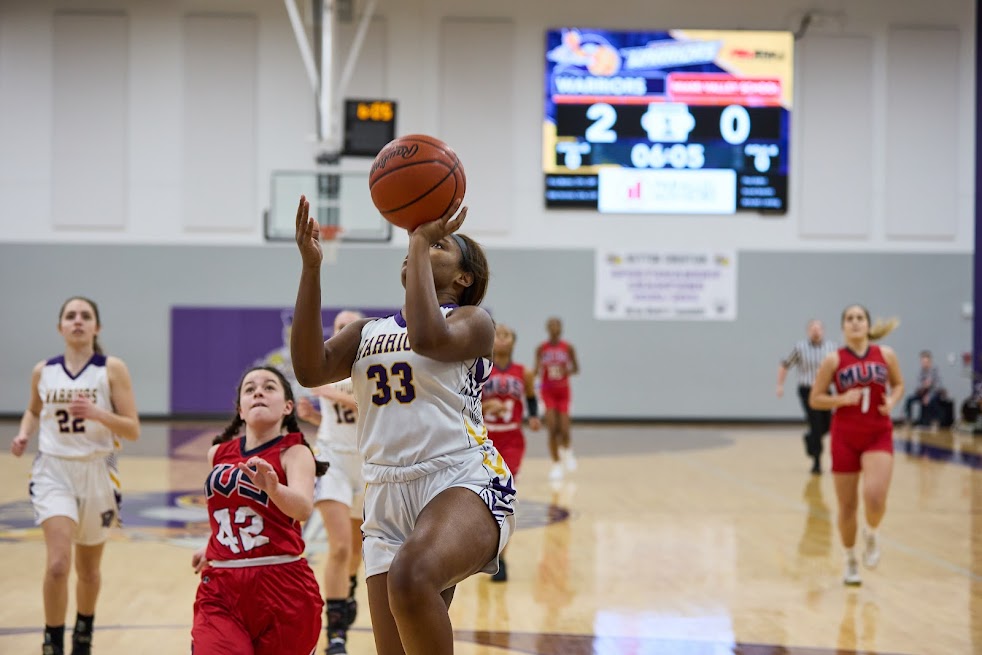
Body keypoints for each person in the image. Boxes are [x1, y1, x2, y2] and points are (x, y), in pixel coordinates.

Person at [290, 194, 516, 655]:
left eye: (439, 246)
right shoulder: (364, 333)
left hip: (460, 477)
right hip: (386, 490)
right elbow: (309, 371)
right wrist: (311, 269)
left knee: (410, 575)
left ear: (463, 277)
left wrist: (416, 239)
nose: (422, 246)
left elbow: (427, 337)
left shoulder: (474, 322)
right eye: (420, 244)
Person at [9, 296, 140, 655]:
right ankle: (52, 641)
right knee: (56, 564)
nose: (78, 321)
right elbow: (33, 410)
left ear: (96, 327)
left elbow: (132, 430)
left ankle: (83, 634)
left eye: (85, 316)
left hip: (98, 470)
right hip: (54, 470)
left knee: (89, 570)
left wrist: (99, 413)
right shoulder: (43, 371)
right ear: (60, 327)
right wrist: (24, 433)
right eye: (71, 316)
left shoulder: (111, 368)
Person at [190, 365, 327, 654]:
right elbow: (226, 510)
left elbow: (302, 509)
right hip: (222, 586)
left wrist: (274, 489)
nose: (258, 392)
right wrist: (213, 545)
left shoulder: (296, 452)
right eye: (250, 389)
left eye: (269, 387)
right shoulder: (217, 453)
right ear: (241, 409)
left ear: (288, 406)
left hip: (283, 585)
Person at [809, 305, 903, 586]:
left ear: (867, 324)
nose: (855, 322)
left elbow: (898, 385)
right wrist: (840, 400)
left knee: (875, 497)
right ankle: (850, 559)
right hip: (845, 436)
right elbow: (816, 398)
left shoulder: (885, 355)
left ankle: (871, 534)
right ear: (843, 328)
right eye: (849, 319)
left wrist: (893, 401)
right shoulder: (833, 360)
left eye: (859, 318)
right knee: (847, 506)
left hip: (877, 433)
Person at [296, 309, 365, 655]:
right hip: (332, 460)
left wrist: (327, 394)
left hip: (368, 464)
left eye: (348, 327)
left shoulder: (370, 368)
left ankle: (349, 585)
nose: (342, 332)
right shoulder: (326, 367)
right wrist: (315, 416)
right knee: (338, 548)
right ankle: (336, 636)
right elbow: (340, 412)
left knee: (356, 551)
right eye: (338, 327)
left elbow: (362, 402)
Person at [481, 322, 541, 582]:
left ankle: (501, 559)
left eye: (506, 335)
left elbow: (530, 398)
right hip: (484, 438)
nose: (501, 338)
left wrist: (534, 417)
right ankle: (482, 551)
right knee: (481, 500)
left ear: (513, 342)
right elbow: (467, 403)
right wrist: (485, 407)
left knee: (503, 498)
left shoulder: (524, 373)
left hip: (512, 438)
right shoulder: (480, 369)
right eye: (497, 335)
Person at [776, 319, 838, 474]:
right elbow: (785, 364)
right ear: (808, 331)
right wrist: (780, 385)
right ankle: (816, 461)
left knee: (828, 425)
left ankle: (809, 439)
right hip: (807, 390)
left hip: (825, 391)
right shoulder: (800, 348)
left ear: (823, 331)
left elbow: (838, 368)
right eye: (813, 329)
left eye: (818, 329)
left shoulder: (832, 348)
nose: (816, 331)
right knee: (816, 424)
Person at [534, 317, 579, 482]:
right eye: (551, 325)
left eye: (557, 325)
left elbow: (576, 368)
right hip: (547, 392)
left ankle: (568, 450)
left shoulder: (568, 348)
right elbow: (536, 370)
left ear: (561, 328)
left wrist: (565, 370)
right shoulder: (541, 348)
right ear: (547, 328)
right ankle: (556, 464)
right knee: (552, 428)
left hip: (563, 391)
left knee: (565, 428)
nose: (554, 328)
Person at [903, 350, 944, 427]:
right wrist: (923, 386)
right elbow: (917, 386)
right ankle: (909, 420)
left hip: (933, 394)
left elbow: (939, 386)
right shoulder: (920, 372)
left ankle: (934, 421)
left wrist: (929, 394)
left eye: (926, 362)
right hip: (922, 393)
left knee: (932, 400)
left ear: (930, 362)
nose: (924, 364)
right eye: (922, 362)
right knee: (909, 399)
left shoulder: (935, 371)